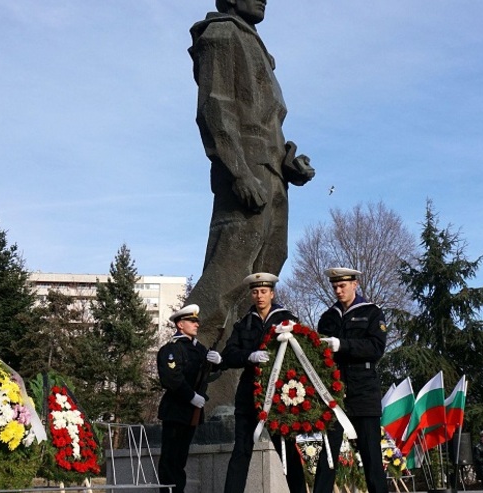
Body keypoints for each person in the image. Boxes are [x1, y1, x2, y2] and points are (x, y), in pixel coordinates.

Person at [185, 0, 316, 354]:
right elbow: (214, 109)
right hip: (246, 172)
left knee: (265, 274)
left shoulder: (256, 45)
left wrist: (289, 161)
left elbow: (267, 123)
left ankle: (234, 378)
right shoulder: (223, 33)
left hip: (273, 175)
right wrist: (238, 171)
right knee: (229, 272)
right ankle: (189, 360)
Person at [220, 273, 306, 493]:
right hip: (250, 390)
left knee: (286, 448)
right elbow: (229, 354)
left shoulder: (286, 319)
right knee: (241, 450)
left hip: (279, 393)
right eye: (255, 292)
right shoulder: (244, 322)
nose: (259, 296)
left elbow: (302, 353)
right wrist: (250, 355)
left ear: (272, 293)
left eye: (264, 291)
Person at [313, 268, 387, 493]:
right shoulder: (328, 317)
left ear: (355, 284)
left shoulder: (372, 313)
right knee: (327, 455)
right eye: (335, 286)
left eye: (342, 285)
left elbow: (376, 348)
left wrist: (342, 345)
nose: (338, 290)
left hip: (363, 390)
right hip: (334, 392)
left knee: (371, 456)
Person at [156, 304, 222, 493]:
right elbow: (171, 378)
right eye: (191, 321)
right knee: (171, 460)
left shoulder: (198, 349)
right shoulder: (171, 350)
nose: (196, 324)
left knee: (180, 458)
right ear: (180, 325)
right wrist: (191, 396)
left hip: (191, 412)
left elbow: (206, 371)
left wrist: (218, 361)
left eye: (197, 321)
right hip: (176, 411)